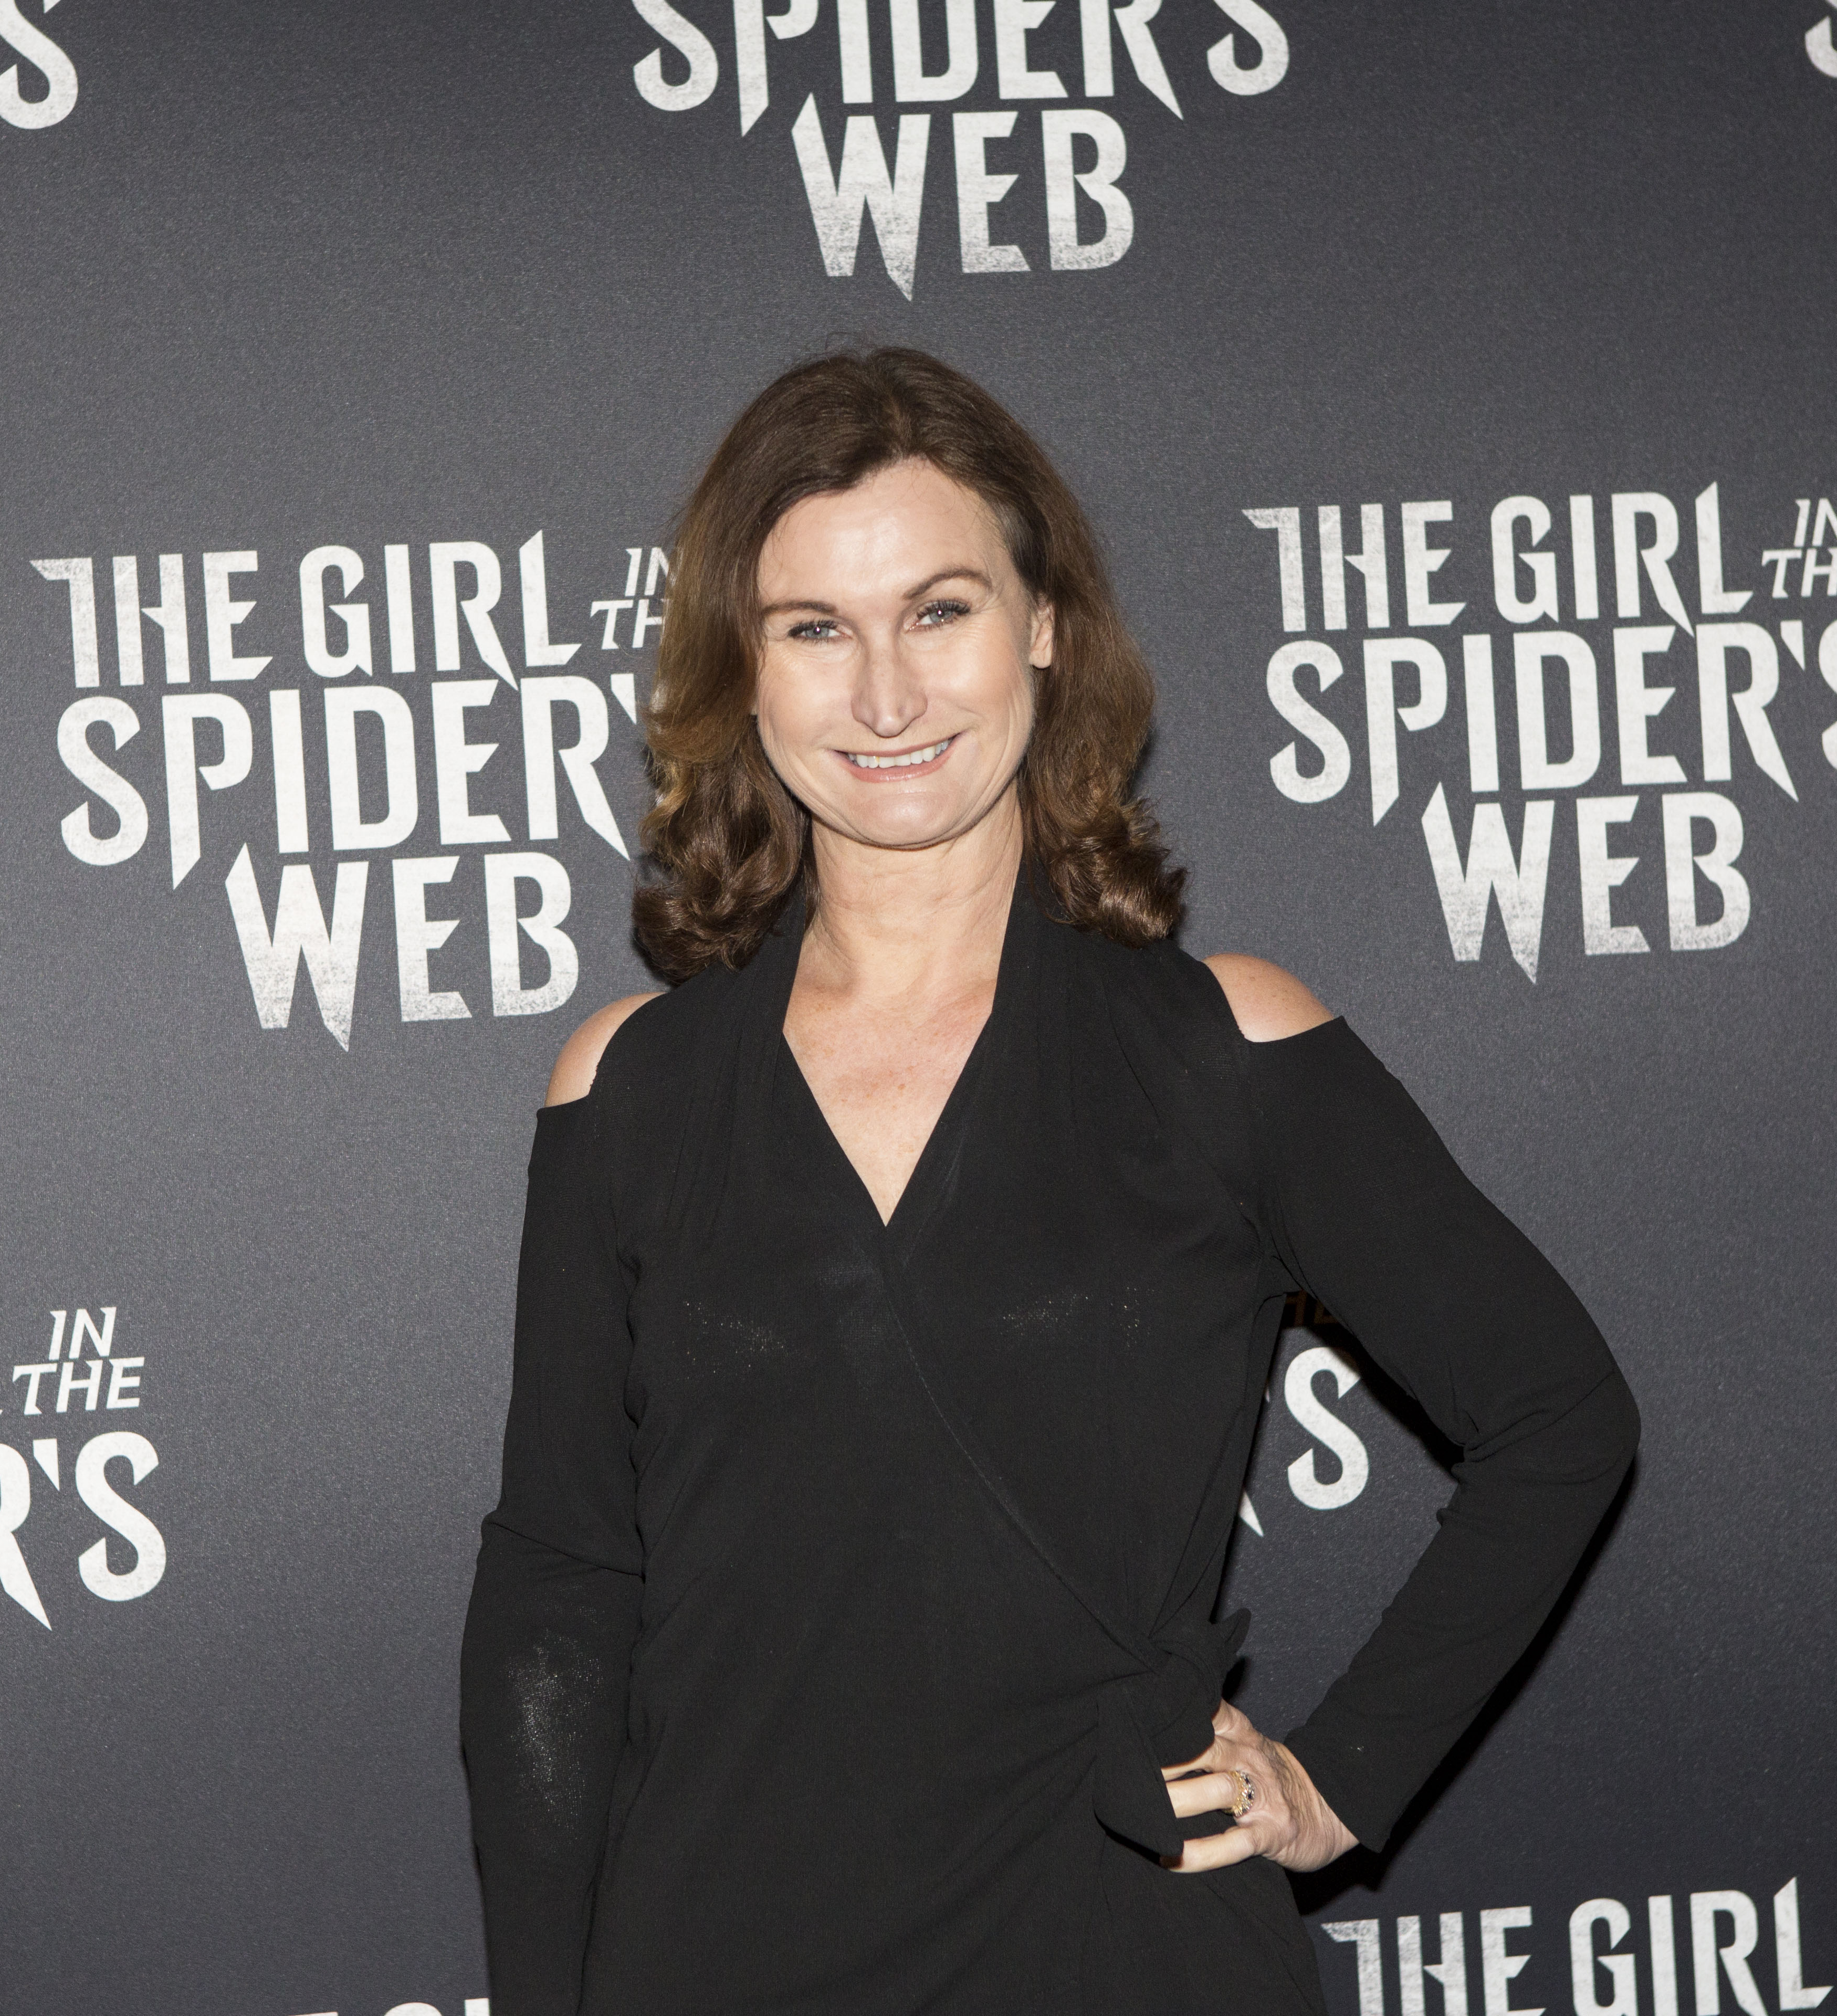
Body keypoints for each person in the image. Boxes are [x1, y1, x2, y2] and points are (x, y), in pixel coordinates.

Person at [458, 348, 1638, 2015]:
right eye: (815, 629)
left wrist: (1341, 1780)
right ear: (744, 672)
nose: (886, 697)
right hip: (720, 1948)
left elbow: (1560, 1416)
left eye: (938, 612)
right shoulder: (629, 1088)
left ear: (1045, 628)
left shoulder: (1223, 1048)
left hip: (1119, 1949)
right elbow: (564, 1591)